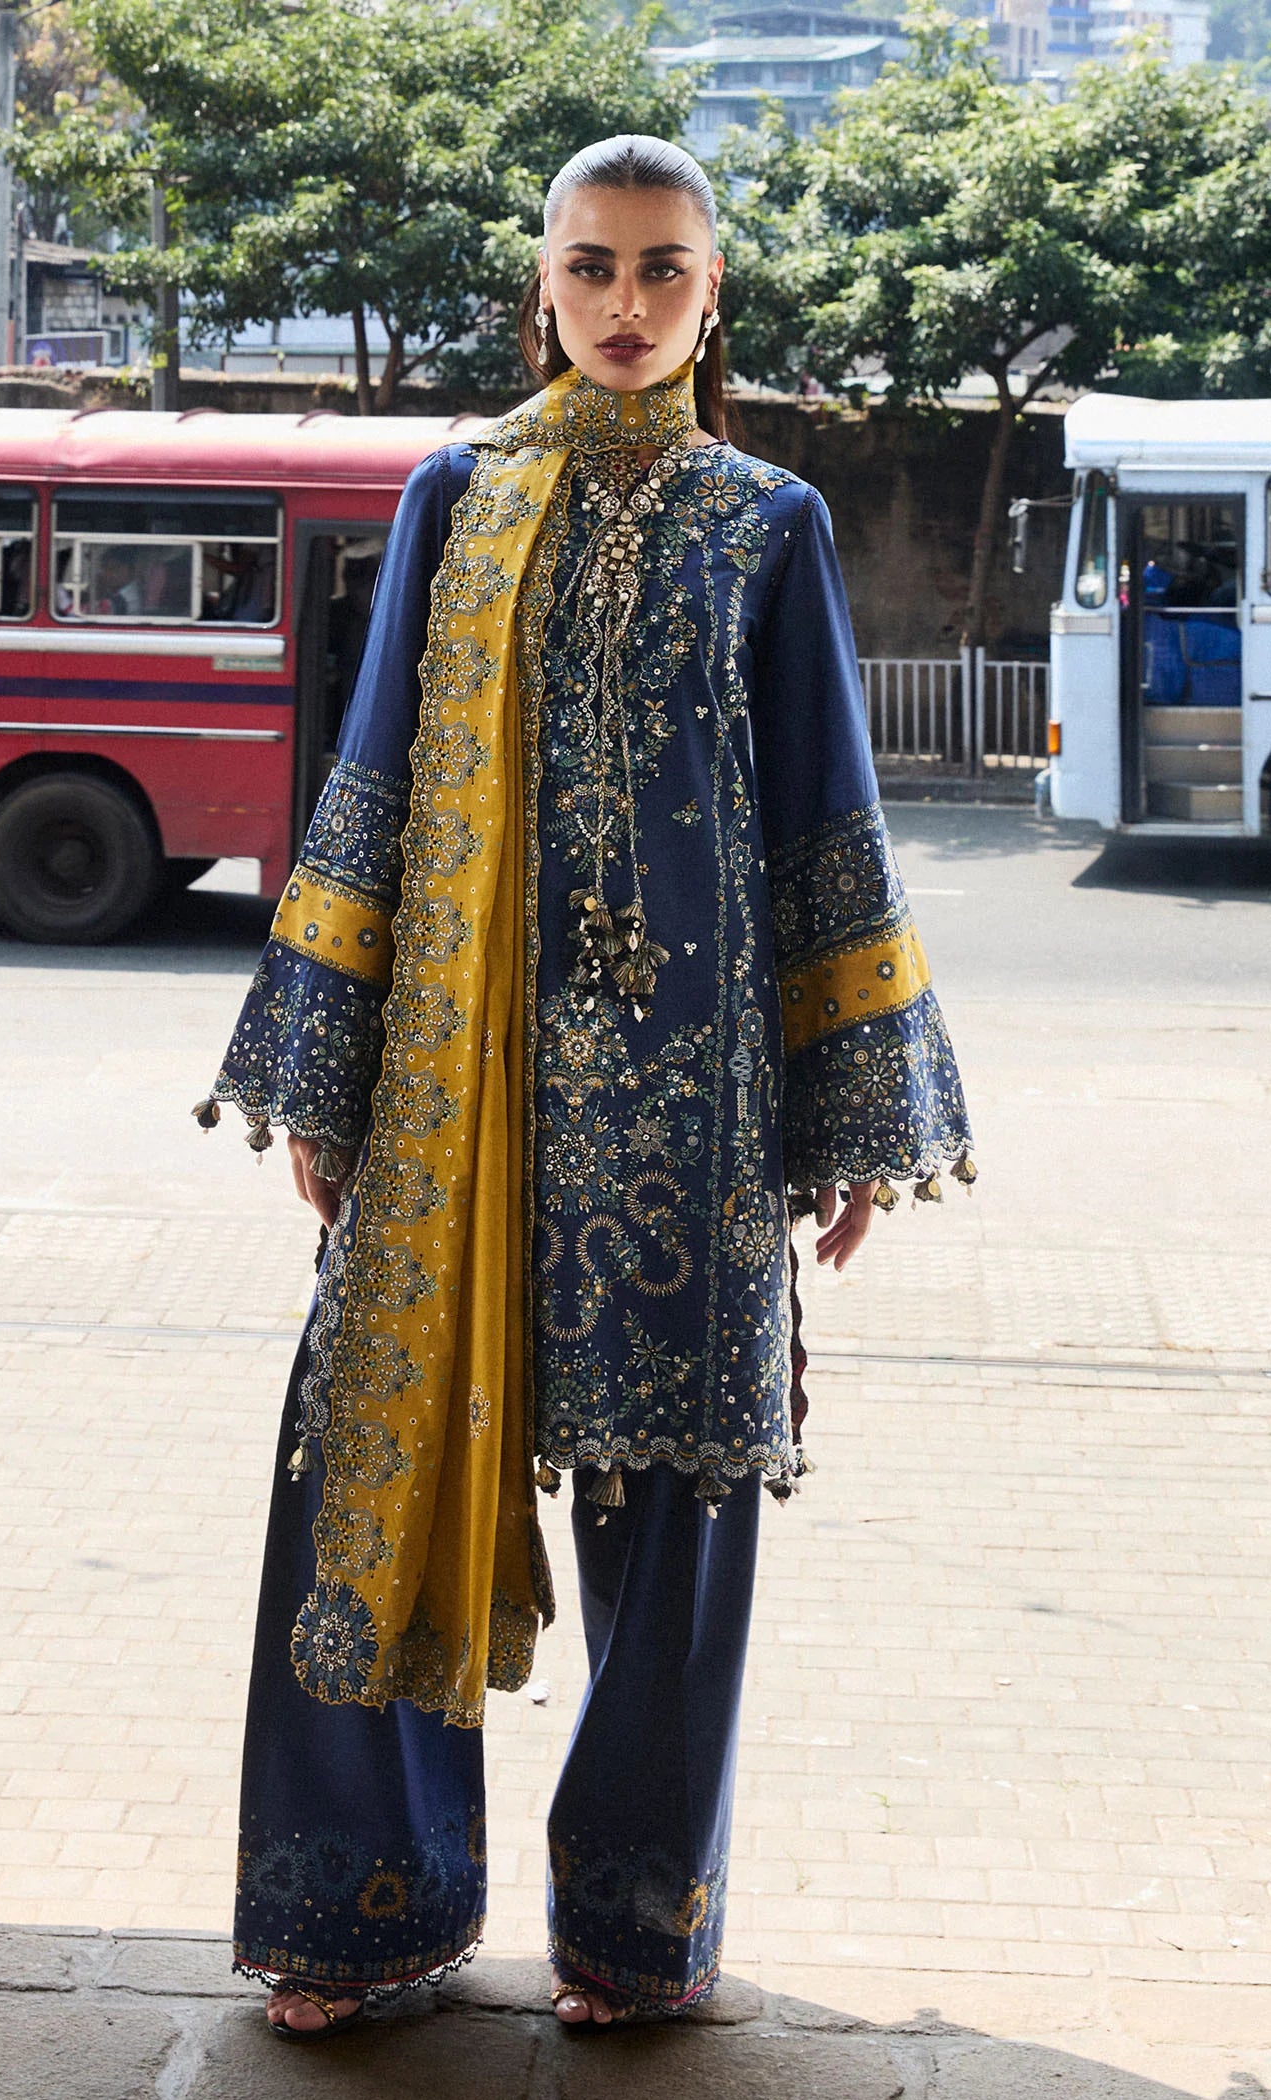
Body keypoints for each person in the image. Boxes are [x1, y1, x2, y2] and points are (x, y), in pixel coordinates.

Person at [193, 134, 974, 2042]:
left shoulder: (767, 524)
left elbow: (825, 839)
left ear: (716, 297)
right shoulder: (459, 497)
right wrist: (328, 1073)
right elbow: (368, 780)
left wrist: (849, 1118)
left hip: (689, 1117)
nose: (627, 304)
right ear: (540, 280)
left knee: (680, 1526)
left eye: (666, 274)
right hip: (459, 1104)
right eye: (595, 266)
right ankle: (362, 1905)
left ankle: (632, 1932)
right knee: (356, 1474)